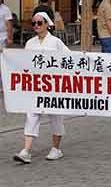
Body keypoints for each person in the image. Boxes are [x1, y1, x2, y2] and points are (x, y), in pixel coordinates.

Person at [13, 12, 70, 164]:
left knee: (56, 117)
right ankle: (26, 150)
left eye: (39, 23)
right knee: (31, 116)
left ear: (46, 24)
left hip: (54, 86)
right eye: (34, 23)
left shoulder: (55, 42)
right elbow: (23, 62)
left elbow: (70, 58)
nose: (36, 26)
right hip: (36, 86)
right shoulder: (30, 43)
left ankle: (56, 148)